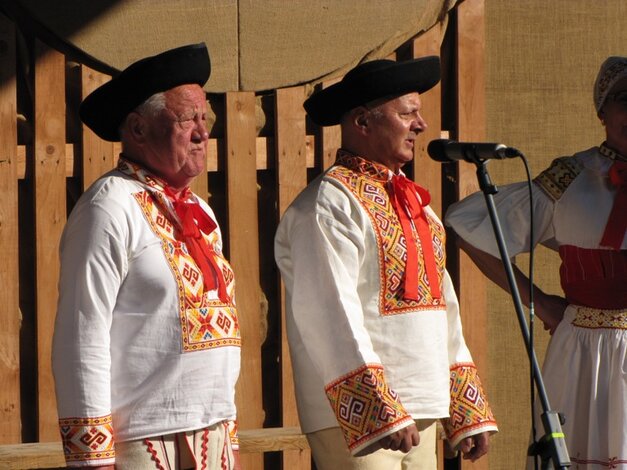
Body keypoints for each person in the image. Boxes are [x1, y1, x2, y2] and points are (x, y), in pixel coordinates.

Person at [274, 57, 498, 470]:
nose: (421, 125)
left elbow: (444, 306)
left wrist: (466, 404)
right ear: (362, 122)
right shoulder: (328, 205)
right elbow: (329, 311)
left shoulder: (417, 207)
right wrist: (378, 405)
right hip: (361, 418)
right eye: (408, 113)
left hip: (422, 405)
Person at [52, 43, 241, 469]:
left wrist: (225, 427)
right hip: (142, 440)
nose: (202, 132)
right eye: (186, 119)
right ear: (137, 129)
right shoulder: (109, 206)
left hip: (214, 432)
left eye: (204, 118)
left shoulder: (200, 212)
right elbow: (82, 333)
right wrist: (92, 457)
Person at [445, 56, 627, 468]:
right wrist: (539, 301)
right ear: (602, 111)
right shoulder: (571, 178)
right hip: (587, 353)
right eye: (623, 99)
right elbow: (470, 224)